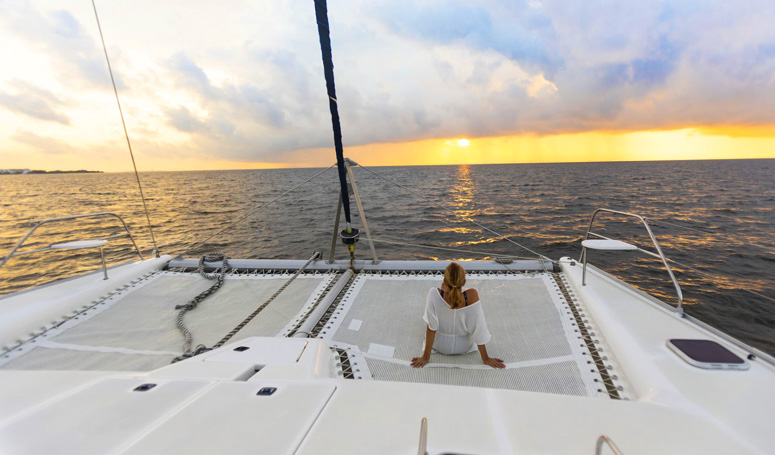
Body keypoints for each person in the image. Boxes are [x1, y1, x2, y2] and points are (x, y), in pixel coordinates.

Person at [411, 262, 505, 369]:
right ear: (464, 282)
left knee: (428, 322)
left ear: (444, 280)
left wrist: (425, 357)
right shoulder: (472, 296)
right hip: (464, 346)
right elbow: (478, 329)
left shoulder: (434, 294)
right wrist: (486, 358)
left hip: (441, 346)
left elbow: (431, 328)